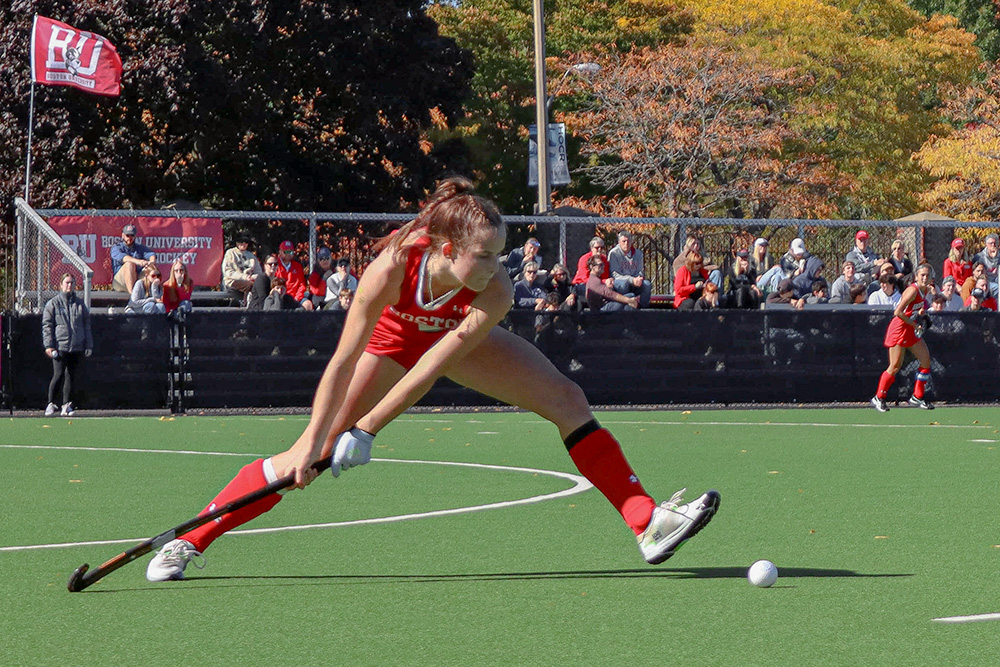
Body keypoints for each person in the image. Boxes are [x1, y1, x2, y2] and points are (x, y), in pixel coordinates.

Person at [144, 177, 719, 582]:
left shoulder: (494, 291)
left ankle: (646, 520)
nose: (500, 267)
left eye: (503, 253)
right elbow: (344, 358)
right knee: (303, 461)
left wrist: (367, 430)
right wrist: (322, 437)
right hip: (390, 341)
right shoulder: (395, 264)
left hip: (444, 346)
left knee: (566, 397)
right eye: (487, 255)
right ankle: (187, 541)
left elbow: (436, 363)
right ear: (449, 249)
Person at [871, 264, 936, 412]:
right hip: (899, 329)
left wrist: (922, 314)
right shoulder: (913, 290)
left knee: (925, 360)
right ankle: (879, 397)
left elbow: (914, 308)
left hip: (909, 329)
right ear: (916, 276)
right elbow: (898, 312)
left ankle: (917, 397)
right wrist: (914, 325)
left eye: (927, 275)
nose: (925, 278)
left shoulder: (925, 290)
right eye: (922, 275)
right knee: (894, 366)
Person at [42, 273, 93, 417]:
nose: (69, 285)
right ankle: (50, 404)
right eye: (66, 282)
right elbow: (47, 326)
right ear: (61, 284)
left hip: (76, 347)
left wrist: (88, 345)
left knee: (71, 376)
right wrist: (49, 346)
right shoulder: (53, 303)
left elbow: (86, 325)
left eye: (71, 283)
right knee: (58, 374)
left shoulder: (80, 304)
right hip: (60, 346)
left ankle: (67, 405)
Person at [608, 231, 651, 308]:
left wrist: (638, 278)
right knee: (624, 284)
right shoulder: (614, 253)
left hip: (635, 281)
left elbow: (640, 271)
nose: (626, 244)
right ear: (619, 242)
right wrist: (631, 280)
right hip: (620, 282)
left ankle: (643, 309)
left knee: (647, 284)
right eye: (624, 241)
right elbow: (614, 274)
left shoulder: (638, 254)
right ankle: (625, 307)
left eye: (628, 241)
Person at [110, 223, 156, 293]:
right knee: (129, 264)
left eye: (132, 235)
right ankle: (133, 298)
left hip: (136, 279)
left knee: (150, 268)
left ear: (135, 236)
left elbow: (151, 255)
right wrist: (139, 262)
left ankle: (153, 294)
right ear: (123, 236)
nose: (130, 238)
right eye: (127, 235)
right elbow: (124, 258)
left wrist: (151, 261)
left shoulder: (140, 247)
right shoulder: (116, 248)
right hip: (120, 283)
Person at [222, 233, 262, 304]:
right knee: (250, 285)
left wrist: (256, 276)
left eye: (246, 242)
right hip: (232, 282)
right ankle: (247, 305)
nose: (243, 244)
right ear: (236, 243)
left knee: (260, 284)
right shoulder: (230, 253)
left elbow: (258, 270)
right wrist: (244, 277)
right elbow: (228, 272)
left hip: (250, 281)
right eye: (241, 242)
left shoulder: (251, 256)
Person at [275, 240, 314, 311]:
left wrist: (297, 298)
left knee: (308, 304)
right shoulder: (275, 265)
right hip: (281, 297)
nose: (288, 254)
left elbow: (302, 285)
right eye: (286, 251)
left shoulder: (298, 266)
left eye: (291, 252)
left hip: (296, 297)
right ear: (280, 252)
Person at [972, 233, 999, 298]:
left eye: (995, 243)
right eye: (991, 243)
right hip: (986, 281)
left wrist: (995, 258)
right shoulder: (979, 257)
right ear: (986, 244)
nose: (993, 245)